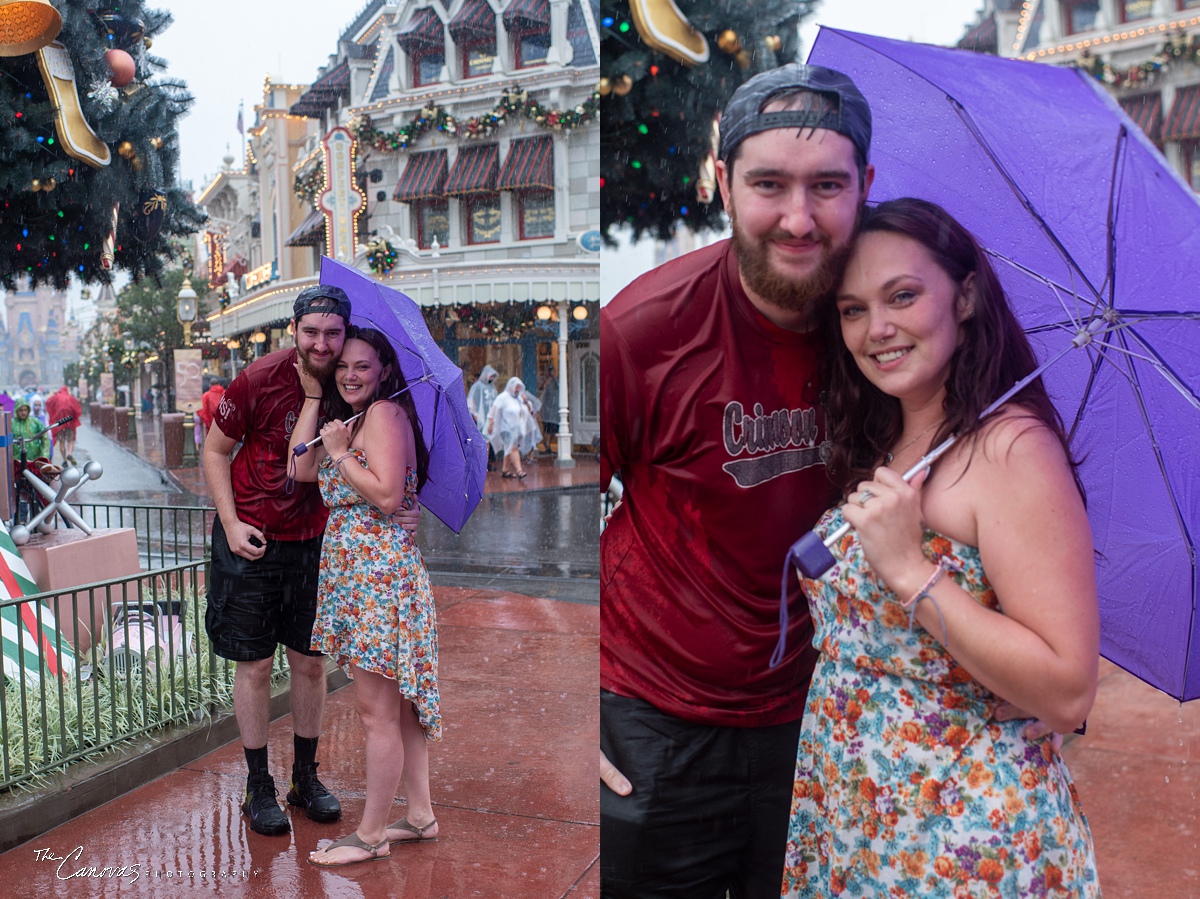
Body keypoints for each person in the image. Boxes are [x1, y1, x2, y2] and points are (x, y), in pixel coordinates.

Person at [599, 64, 876, 897]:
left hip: (822, 714)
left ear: (867, 184)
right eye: (768, 184)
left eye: (828, 184)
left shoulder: (887, 329)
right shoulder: (645, 330)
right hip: (655, 716)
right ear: (721, 183)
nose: (799, 218)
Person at [781, 198, 1100, 897]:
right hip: (859, 811)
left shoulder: (1013, 449)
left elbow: (1069, 688)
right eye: (853, 308)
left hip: (960, 834)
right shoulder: (889, 439)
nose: (878, 328)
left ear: (966, 297)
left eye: (902, 295)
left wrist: (910, 571)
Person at [203, 286, 420, 837]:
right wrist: (230, 524)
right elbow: (214, 450)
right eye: (312, 333)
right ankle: (258, 787)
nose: (324, 345)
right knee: (253, 665)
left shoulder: (353, 389)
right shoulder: (257, 378)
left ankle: (304, 776)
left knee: (310, 663)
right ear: (293, 332)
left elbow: (387, 462)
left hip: (316, 544)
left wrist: (406, 508)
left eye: (333, 333)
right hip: (251, 539)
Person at [287, 327, 441, 867]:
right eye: (344, 366)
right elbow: (298, 467)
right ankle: (418, 815)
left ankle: (371, 833)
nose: (351, 374)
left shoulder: (383, 416)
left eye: (363, 366)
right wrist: (315, 405)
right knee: (397, 709)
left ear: (384, 371)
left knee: (378, 713)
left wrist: (340, 454)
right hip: (359, 578)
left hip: (380, 580)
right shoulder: (351, 420)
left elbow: (387, 495)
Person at [485, 377, 541, 479]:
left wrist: (525, 401)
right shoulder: (502, 397)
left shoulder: (519, 398)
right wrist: (491, 423)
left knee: (509, 448)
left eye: (519, 387)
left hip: (515, 429)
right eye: (516, 387)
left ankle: (505, 470)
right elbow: (493, 411)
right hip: (504, 428)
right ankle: (519, 471)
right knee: (513, 447)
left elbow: (529, 411)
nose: (517, 389)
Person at [45, 386, 81, 465]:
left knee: (61, 442)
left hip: (59, 424)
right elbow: (77, 409)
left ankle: (64, 460)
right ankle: (70, 454)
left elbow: (48, 402)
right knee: (71, 440)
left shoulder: (56, 397)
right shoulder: (70, 397)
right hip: (70, 423)